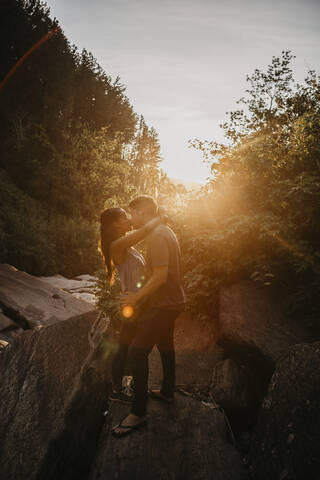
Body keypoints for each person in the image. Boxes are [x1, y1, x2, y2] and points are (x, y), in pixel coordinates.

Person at [111, 195, 186, 438]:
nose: (131, 218)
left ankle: (138, 412)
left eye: (132, 213)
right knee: (165, 344)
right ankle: (167, 391)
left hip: (164, 304)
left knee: (136, 351)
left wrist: (135, 298)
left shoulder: (156, 236)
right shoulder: (165, 230)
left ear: (142, 212)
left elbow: (160, 276)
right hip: (173, 301)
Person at [98, 207, 161, 403]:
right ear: (116, 223)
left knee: (133, 346)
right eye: (125, 217)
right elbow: (143, 232)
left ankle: (127, 385)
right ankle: (118, 389)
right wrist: (160, 217)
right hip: (133, 305)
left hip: (139, 303)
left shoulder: (127, 246)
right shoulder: (116, 246)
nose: (129, 220)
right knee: (127, 347)